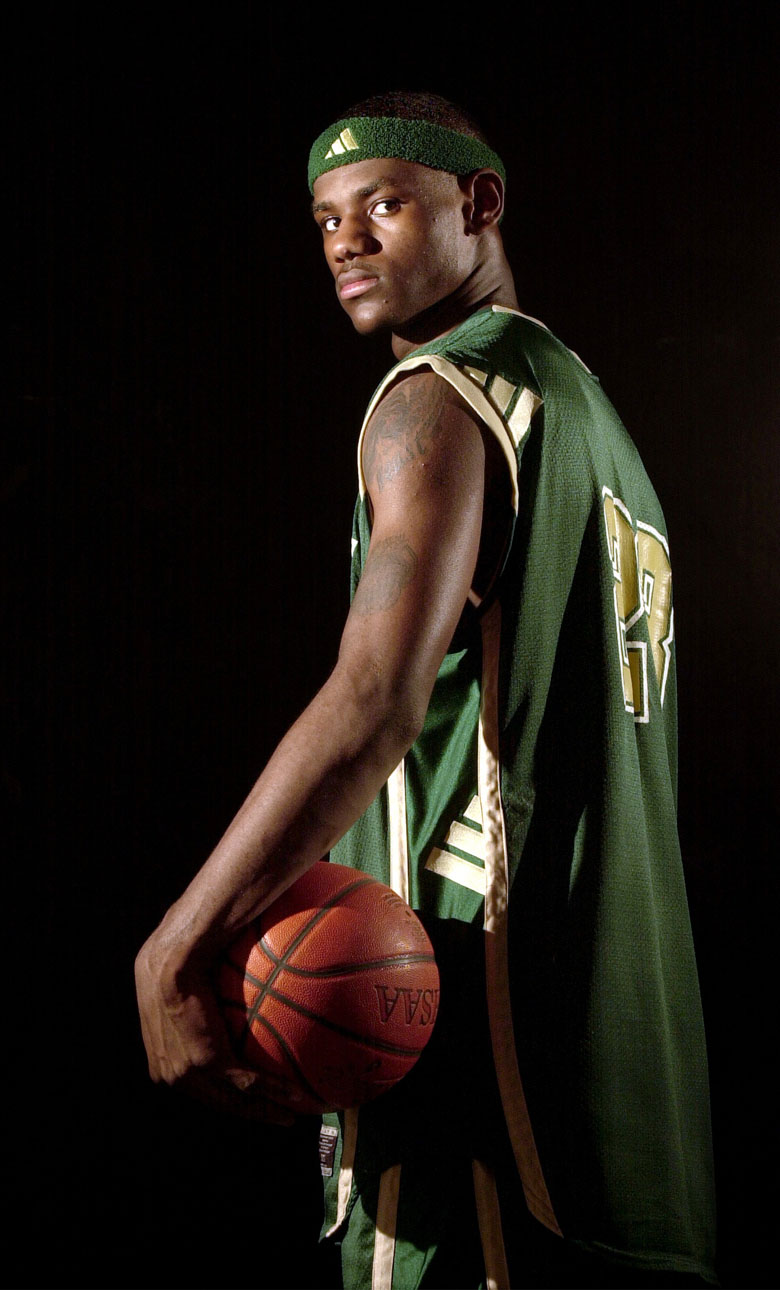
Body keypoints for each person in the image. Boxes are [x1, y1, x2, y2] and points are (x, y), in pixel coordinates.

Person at [135, 91, 717, 1288]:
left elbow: (375, 695)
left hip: (479, 1055)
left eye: (384, 205)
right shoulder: (599, 426)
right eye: (327, 220)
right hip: (632, 1054)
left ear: (479, 204)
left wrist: (176, 942)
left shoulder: (442, 400)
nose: (347, 241)